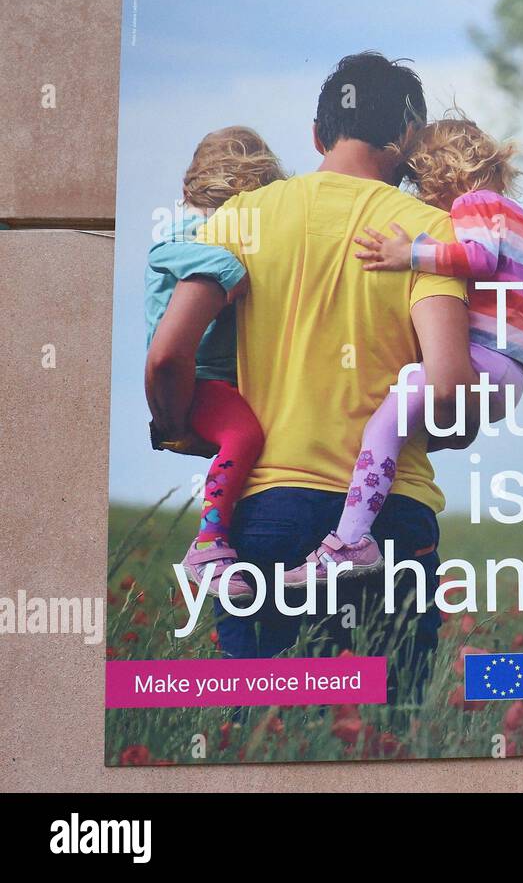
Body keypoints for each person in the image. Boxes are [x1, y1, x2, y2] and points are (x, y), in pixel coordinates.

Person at [145, 52, 480, 697]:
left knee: (263, 736)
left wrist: (175, 423)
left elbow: (166, 356)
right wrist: (453, 430)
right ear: (408, 138)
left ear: (317, 134)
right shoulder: (427, 230)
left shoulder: (237, 219)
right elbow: (447, 386)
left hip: (266, 514)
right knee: (386, 734)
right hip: (389, 520)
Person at [299, 115, 523, 572]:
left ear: (441, 174)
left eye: (419, 184)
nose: (420, 199)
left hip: (478, 360)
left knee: (382, 428)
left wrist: (409, 254)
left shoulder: (475, 204)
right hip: (512, 373)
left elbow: (476, 258)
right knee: (408, 431)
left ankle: (350, 541)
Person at [145, 126, 285, 599]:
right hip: (201, 376)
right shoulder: (192, 231)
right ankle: (207, 544)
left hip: (218, 374)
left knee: (242, 438)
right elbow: (162, 251)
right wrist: (229, 269)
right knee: (243, 435)